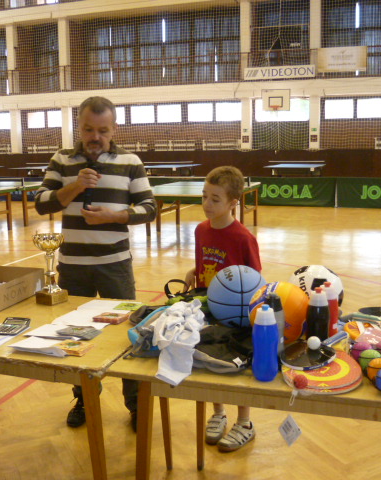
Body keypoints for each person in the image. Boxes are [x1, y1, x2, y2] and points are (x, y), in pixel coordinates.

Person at [35, 96, 157, 431]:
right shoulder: (61, 160)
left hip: (115, 266)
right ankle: (85, 399)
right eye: (89, 129)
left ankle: (135, 405)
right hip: (72, 267)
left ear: (113, 128)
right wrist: (75, 186)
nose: (95, 137)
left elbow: (149, 208)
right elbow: (41, 203)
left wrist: (113, 216)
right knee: (76, 337)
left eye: (103, 130)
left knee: (128, 336)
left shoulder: (130, 161)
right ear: (80, 127)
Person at [184, 166, 262, 452]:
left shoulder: (243, 238)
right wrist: (194, 271)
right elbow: (206, 261)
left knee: (235, 366)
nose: (207, 203)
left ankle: (245, 422)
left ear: (233, 203)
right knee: (208, 360)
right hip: (207, 307)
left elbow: (255, 278)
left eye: (215, 199)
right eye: (204, 196)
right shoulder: (200, 229)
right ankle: (218, 413)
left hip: (235, 313)